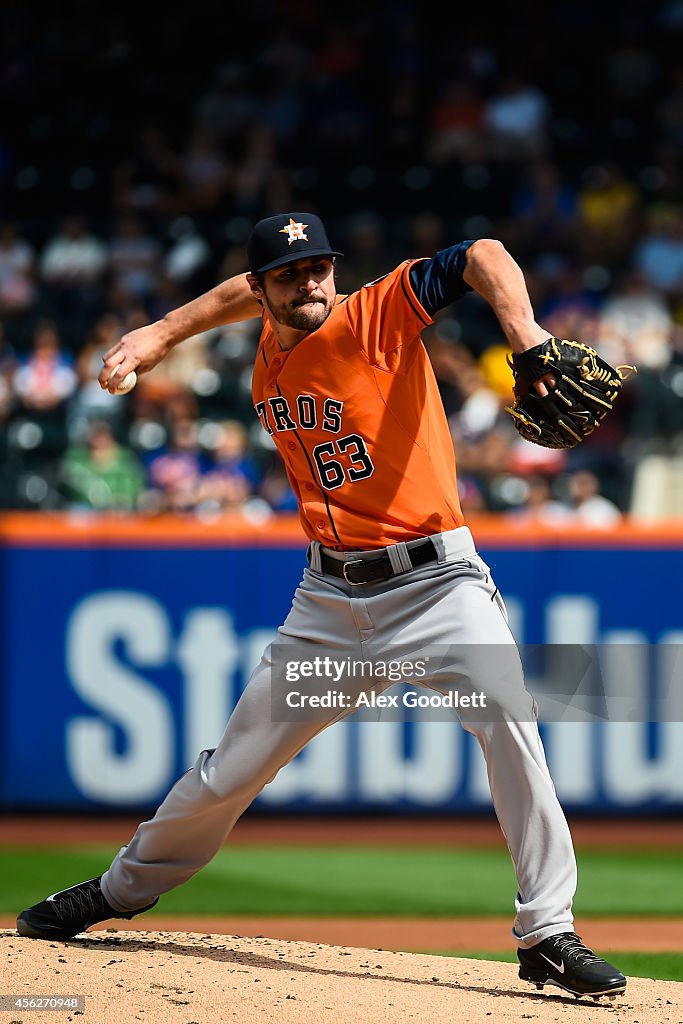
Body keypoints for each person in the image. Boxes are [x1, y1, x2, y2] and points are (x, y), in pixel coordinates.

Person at [17, 212, 626, 1001]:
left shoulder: (375, 314)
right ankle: (120, 890)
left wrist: (527, 337)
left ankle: (546, 932)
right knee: (227, 772)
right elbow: (231, 295)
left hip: (437, 588)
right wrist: (159, 334)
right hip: (330, 606)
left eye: (319, 268)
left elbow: (483, 254)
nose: (310, 283)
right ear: (263, 291)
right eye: (289, 275)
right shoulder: (267, 351)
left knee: (511, 728)